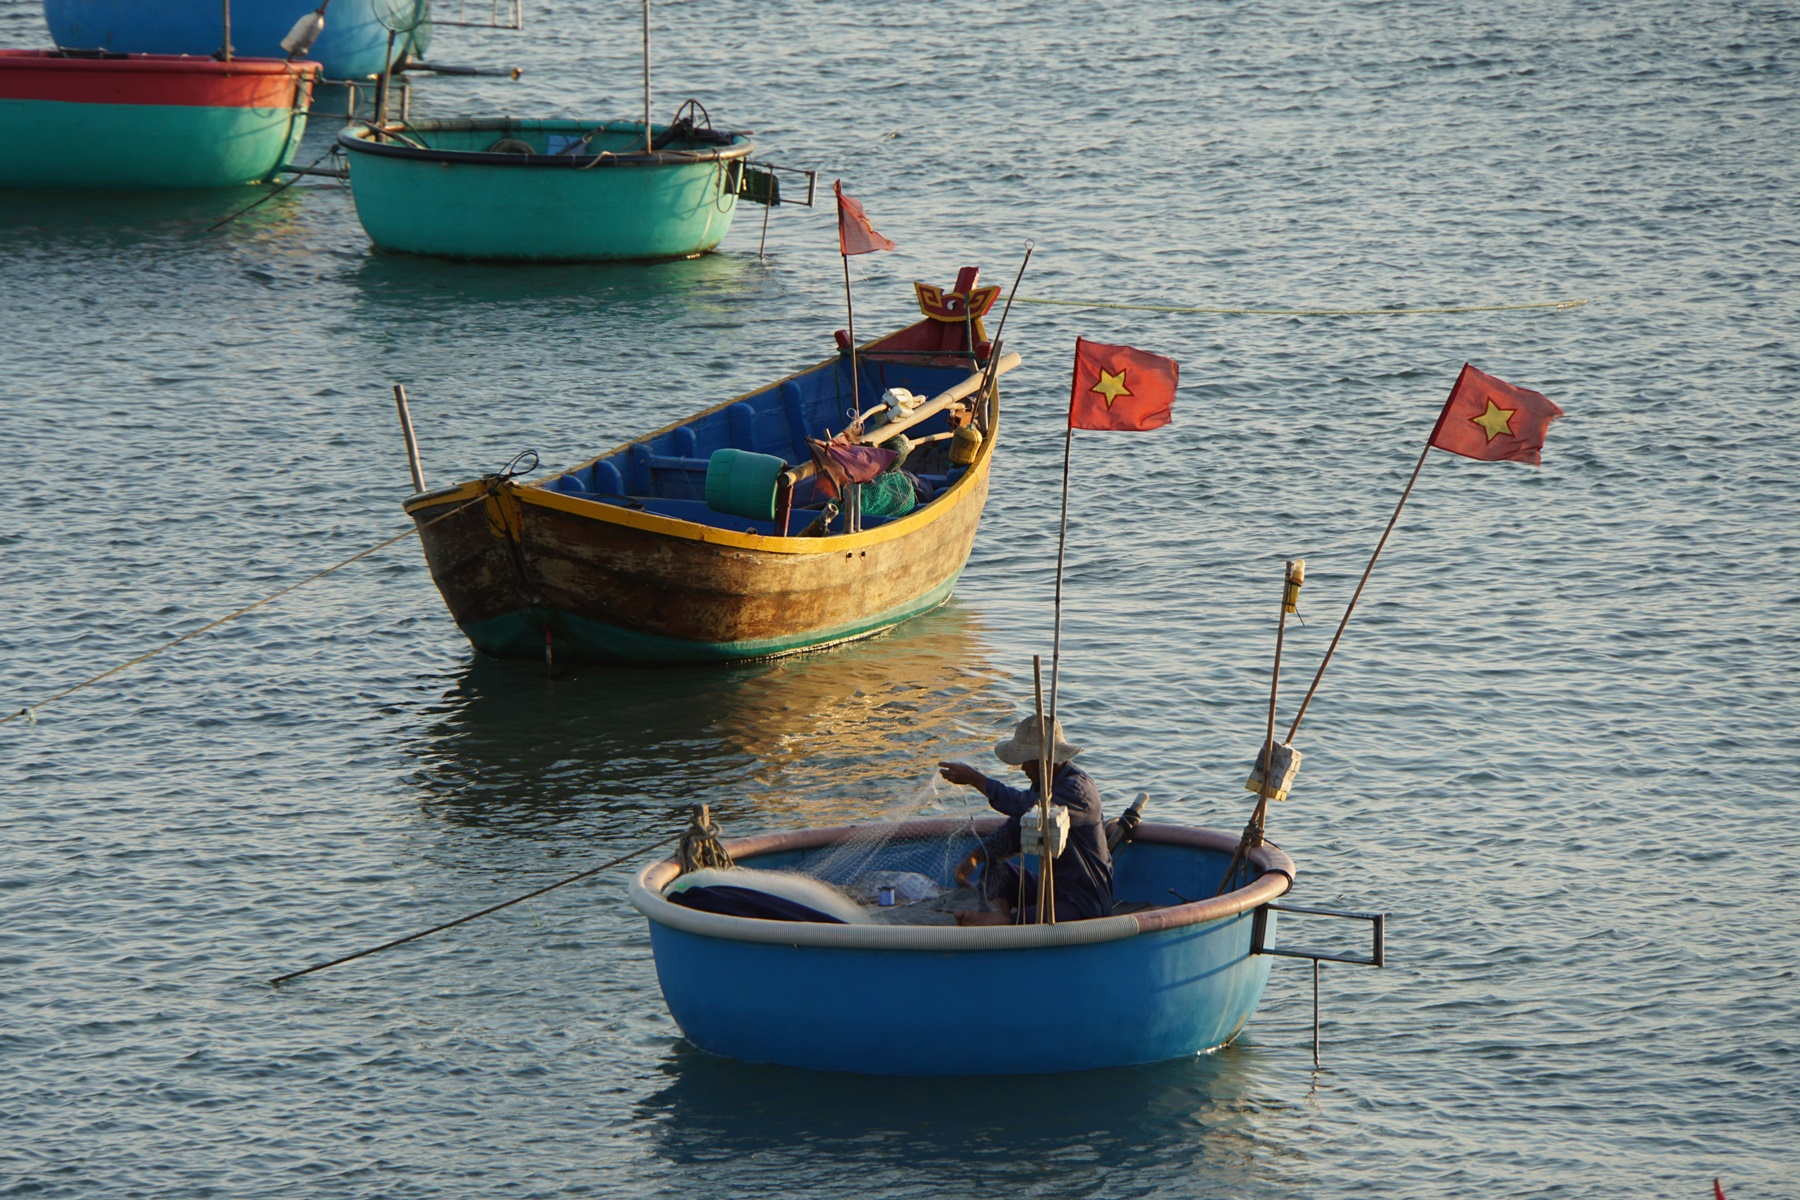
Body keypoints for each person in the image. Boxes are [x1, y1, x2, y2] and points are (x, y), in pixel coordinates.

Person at [937, 715, 1113, 925]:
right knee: (995, 869)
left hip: (1083, 900)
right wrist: (976, 856)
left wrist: (978, 781)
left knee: (1037, 919)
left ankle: (1005, 923)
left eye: (1027, 761)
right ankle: (1000, 916)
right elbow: (1016, 829)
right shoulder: (1044, 786)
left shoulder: (1077, 790)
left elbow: (1028, 805)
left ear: (1046, 760)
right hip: (1053, 889)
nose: (1023, 769)